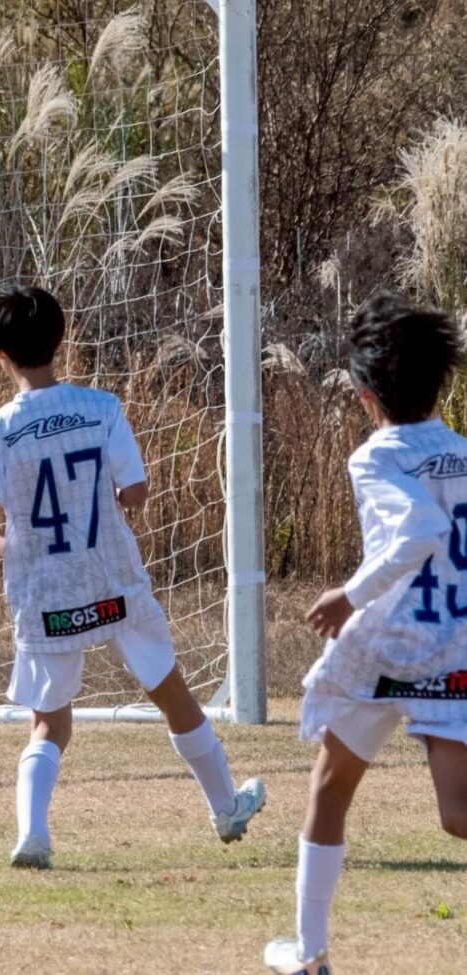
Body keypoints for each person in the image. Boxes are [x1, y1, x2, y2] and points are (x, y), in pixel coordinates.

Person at [0, 285, 265, 869]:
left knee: (49, 724)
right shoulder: (102, 408)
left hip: (45, 593)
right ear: (61, 342)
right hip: (112, 581)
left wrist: (9, 547)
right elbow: (136, 493)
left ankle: (33, 834)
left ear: (0, 356)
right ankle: (225, 807)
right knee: (173, 695)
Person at [264, 292, 467, 975]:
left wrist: (347, 595)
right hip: (454, 643)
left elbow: (421, 530)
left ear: (363, 393)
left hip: (386, 643)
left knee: (331, 786)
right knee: (457, 812)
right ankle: (308, 952)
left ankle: (311, 952)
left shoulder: (376, 456)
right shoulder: (464, 454)